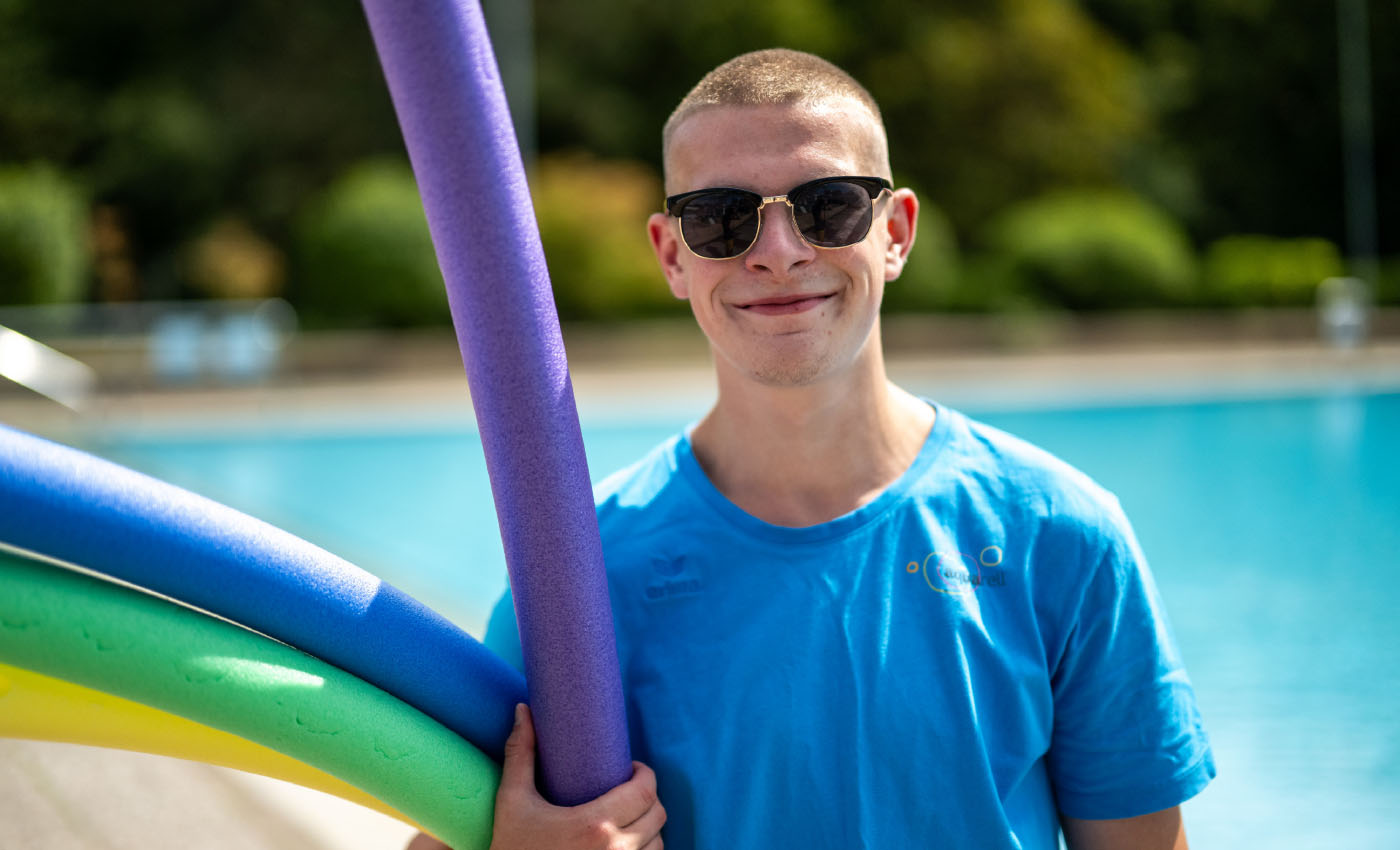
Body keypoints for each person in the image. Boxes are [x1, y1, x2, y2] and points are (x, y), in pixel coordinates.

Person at [412, 47, 1214, 850]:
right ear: (671, 255)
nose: (779, 250)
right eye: (721, 216)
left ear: (894, 232)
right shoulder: (578, 582)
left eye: (827, 206)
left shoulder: (1061, 535)